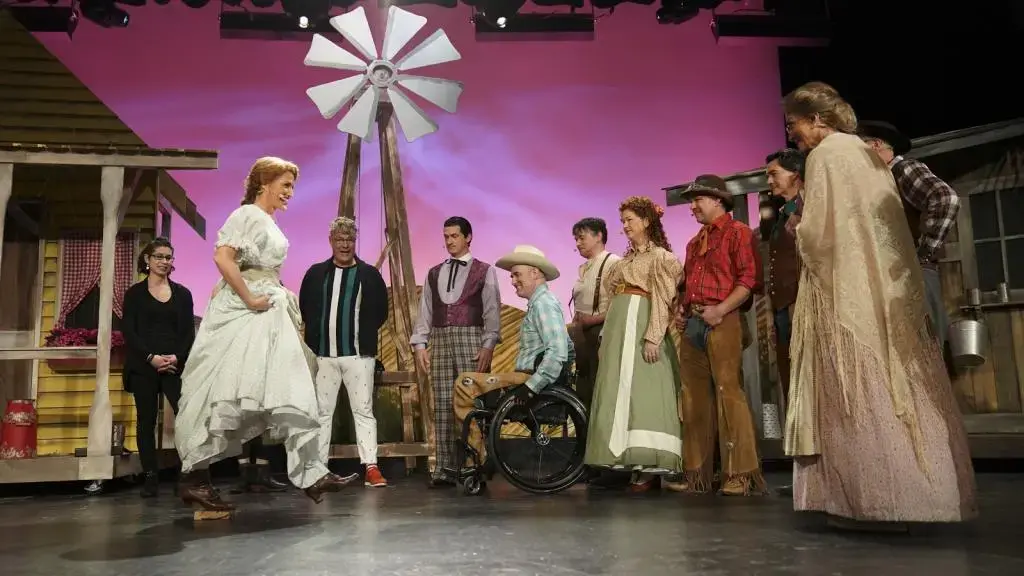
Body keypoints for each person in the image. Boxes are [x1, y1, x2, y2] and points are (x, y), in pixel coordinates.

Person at [782, 82, 977, 528]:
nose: (792, 134)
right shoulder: (864, 153)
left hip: (844, 290)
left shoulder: (828, 154)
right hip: (879, 289)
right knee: (897, 388)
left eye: (794, 124)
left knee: (856, 390)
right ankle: (919, 496)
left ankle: (870, 502)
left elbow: (821, 233)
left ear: (817, 119)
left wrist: (798, 230)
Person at [174, 156, 358, 512]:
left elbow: (255, 264)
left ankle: (310, 472)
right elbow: (223, 258)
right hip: (251, 308)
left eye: (292, 186)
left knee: (284, 383)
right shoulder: (246, 214)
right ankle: (195, 478)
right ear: (265, 184)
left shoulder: (267, 220)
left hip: (267, 304)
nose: (290, 193)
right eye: (285, 185)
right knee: (224, 391)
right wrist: (250, 298)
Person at [674, 175, 766, 497]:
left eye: (698, 199)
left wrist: (721, 309)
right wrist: (683, 311)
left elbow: (749, 279)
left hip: (722, 319)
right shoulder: (694, 242)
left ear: (718, 201)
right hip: (696, 322)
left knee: (728, 391)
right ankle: (698, 474)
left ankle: (738, 473)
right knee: (694, 397)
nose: (693, 206)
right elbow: (687, 285)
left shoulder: (737, 232)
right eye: (692, 200)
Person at [584, 196, 684, 492]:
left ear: (647, 222)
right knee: (619, 390)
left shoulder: (661, 258)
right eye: (623, 221)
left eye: (630, 220)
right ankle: (628, 460)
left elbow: (663, 299)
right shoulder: (624, 262)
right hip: (618, 329)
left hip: (641, 325)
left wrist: (654, 336)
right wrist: (605, 338)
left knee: (645, 391)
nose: (625, 226)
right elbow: (613, 300)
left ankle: (652, 464)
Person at [452, 245, 573, 469]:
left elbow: (558, 352)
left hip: (527, 379)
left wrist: (532, 386)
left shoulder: (544, 304)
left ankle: (477, 454)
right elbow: (567, 348)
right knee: (471, 386)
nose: (513, 280)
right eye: (512, 276)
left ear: (535, 273)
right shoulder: (539, 304)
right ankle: (477, 453)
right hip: (525, 377)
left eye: (517, 274)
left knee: (464, 383)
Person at [410, 216, 502, 487]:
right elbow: (425, 311)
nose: (449, 241)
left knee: (472, 403)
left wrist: (488, 344)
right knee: (442, 403)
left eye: (454, 236)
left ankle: (475, 465)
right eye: (446, 236)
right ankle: (445, 467)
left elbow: (492, 311)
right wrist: (420, 344)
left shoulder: (484, 271)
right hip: (440, 339)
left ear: (468, 237)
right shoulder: (434, 272)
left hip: (470, 338)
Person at [299, 216, 390, 488]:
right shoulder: (316, 273)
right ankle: (318, 467)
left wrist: (362, 336)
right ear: (331, 241)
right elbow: (306, 307)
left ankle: (371, 467)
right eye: (340, 239)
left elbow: (380, 312)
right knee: (322, 412)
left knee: (363, 411)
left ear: (355, 242)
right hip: (324, 356)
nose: (345, 244)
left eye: (349, 239)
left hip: (358, 356)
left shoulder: (369, 275)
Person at [858, 120, 960, 348]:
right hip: (901, 276)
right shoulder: (882, 180)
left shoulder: (903, 169)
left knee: (925, 349)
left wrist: (921, 253)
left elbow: (946, 199)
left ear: (874, 146)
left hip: (916, 275)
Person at [121, 237, 195, 498]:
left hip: (174, 365)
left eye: (168, 257)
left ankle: (186, 472)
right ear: (147, 260)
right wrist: (150, 357)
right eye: (159, 257)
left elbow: (188, 333)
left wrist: (176, 357)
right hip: (145, 365)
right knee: (146, 420)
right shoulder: (135, 294)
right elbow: (129, 330)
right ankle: (150, 475)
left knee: (185, 417)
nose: (165, 261)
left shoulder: (183, 294)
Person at [762, 149, 806, 497]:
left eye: (774, 173)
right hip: (782, 308)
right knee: (791, 384)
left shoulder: (810, 205)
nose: (769, 180)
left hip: (801, 304)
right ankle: (803, 471)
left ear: (795, 173)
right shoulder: (781, 214)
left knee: (807, 384)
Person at [567, 217, 621, 411]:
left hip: (601, 333)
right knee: (583, 389)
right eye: (576, 239)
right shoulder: (584, 267)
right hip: (583, 336)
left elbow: (619, 304)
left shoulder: (613, 263)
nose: (578, 243)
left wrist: (592, 319)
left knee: (599, 388)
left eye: (581, 238)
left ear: (599, 236)